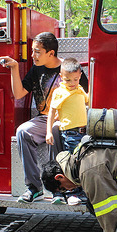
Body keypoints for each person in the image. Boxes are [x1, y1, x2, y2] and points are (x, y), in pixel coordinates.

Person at [0, 32, 88, 204]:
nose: (33, 55)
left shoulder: (68, 69)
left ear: (51, 53)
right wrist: (14, 68)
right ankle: (34, 187)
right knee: (23, 131)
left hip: (66, 121)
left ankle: (59, 188)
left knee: (55, 129)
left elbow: (87, 97)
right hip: (44, 118)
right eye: (32, 51)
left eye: (37, 51)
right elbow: (19, 93)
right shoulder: (36, 69)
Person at [45, 58, 89, 205]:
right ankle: (73, 193)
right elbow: (51, 112)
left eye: (75, 79)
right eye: (67, 79)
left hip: (84, 132)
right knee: (72, 165)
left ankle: (82, 191)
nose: (71, 83)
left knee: (83, 163)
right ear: (60, 77)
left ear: (80, 76)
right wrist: (49, 132)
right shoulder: (59, 92)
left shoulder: (80, 90)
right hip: (70, 133)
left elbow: (89, 100)